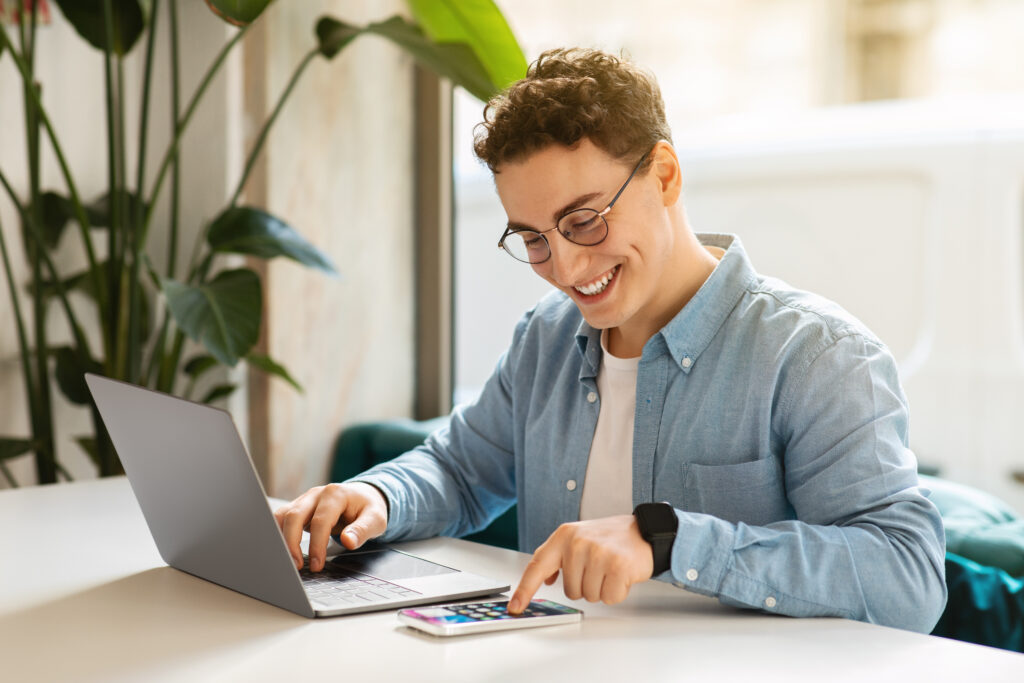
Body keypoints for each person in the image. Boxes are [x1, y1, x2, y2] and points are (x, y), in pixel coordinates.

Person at [274, 47, 947, 632]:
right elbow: (459, 468)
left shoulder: (815, 356)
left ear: (665, 175)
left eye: (585, 220)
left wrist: (669, 540)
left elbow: (907, 577)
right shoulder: (546, 336)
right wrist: (379, 499)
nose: (565, 268)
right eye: (534, 238)